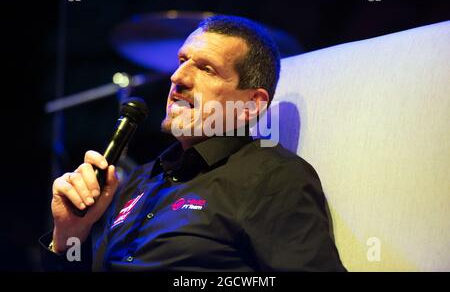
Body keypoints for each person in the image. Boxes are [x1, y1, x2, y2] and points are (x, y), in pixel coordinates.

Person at [40, 15, 346, 271]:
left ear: (252, 104)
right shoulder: (137, 180)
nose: (177, 77)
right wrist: (69, 234)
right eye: (182, 60)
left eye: (206, 68)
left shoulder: (274, 179)